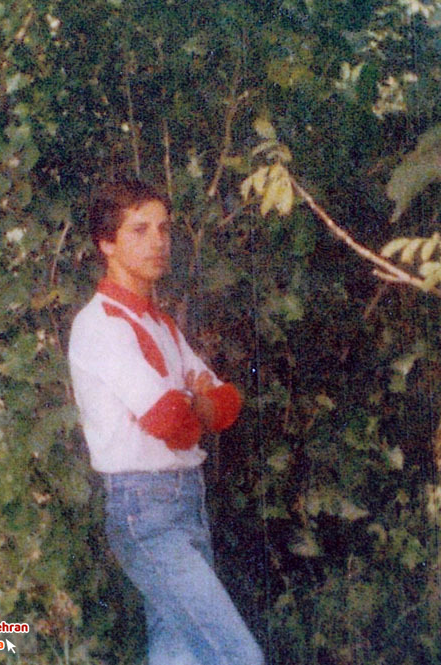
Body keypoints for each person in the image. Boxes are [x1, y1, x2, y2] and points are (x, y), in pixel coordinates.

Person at [67, 179, 264, 665]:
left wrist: (197, 404)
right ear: (106, 243)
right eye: (139, 230)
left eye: (164, 229)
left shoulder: (161, 324)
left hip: (186, 503)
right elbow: (169, 419)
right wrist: (196, 402)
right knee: (237, 656)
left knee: (180, 655)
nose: (158, 241)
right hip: (145, 511)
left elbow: (229, 403)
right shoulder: (101, 324)